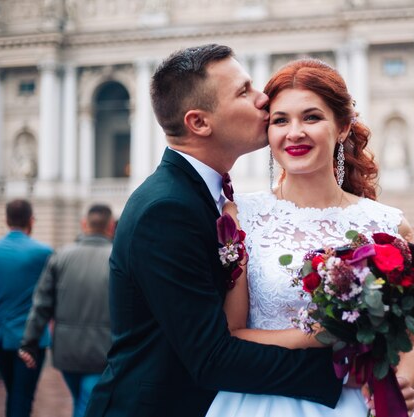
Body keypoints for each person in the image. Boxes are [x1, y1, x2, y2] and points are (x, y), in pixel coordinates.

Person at [85, 44, 343, 417]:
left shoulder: (203, 194)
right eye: (244, 91)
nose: (263, 99)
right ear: (199, 123)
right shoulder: (166, 210)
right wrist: (343, 374)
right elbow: (211, 357)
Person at [205, 58, 414, 417]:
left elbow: (410, 342)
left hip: (355, 403)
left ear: (341, 127)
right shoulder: (240, 216)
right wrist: (325, 334)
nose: (295, 132)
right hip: (260, 401)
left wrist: (402, 382)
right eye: (280, 120)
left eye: (311, 117)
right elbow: (232, 332)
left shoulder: (387, 226)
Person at [18, 204, 115, 417]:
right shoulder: (118, 257)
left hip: (66, 351)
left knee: (81, 400)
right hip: (103, 349)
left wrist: (29, 342)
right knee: (87, 404)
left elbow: (42, 305)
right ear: (111, 226)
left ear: (84, 224)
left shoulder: (60, 256)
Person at [0, 199, 53, 417]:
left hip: (0, 338)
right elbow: (55, 296)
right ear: (31, 220)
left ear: (6, 220)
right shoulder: (44, 253)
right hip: (33, 340)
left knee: (13, 393)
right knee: (22, 397)